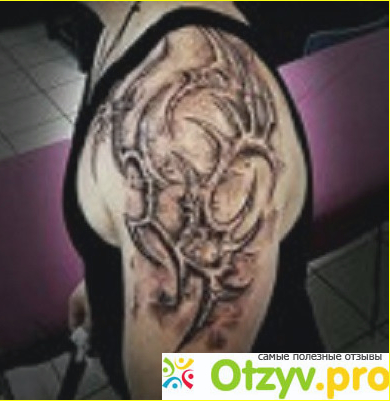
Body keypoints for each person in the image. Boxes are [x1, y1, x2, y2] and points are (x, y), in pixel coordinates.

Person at [64, 2, 323, 399]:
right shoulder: (122, 25)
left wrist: (353, 383)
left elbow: (183, 388)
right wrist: (107, 275)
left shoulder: (183, 122)